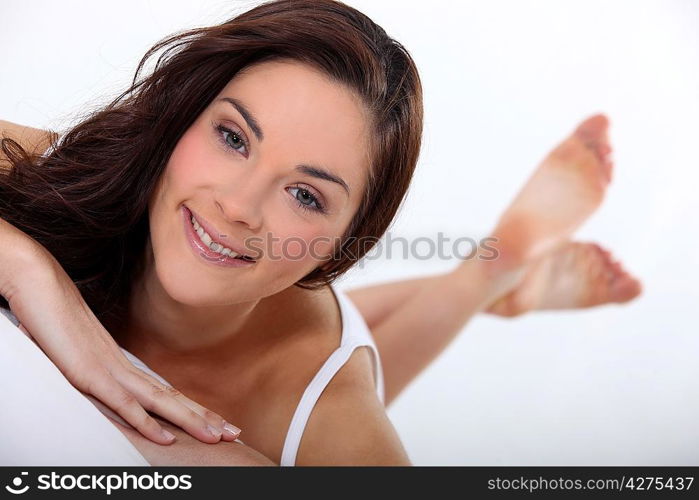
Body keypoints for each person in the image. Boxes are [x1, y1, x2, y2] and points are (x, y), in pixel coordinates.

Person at [0, 0, 641, 466]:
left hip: (295, 357)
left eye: (305, 194)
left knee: (326, 388)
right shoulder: (80, 172)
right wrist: (31, 273)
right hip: (257, 298)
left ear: (347, 242)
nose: (239, 206)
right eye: (232, 137)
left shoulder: (333, 419)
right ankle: (491, 273)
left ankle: (493, 268)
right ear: (183, 116)